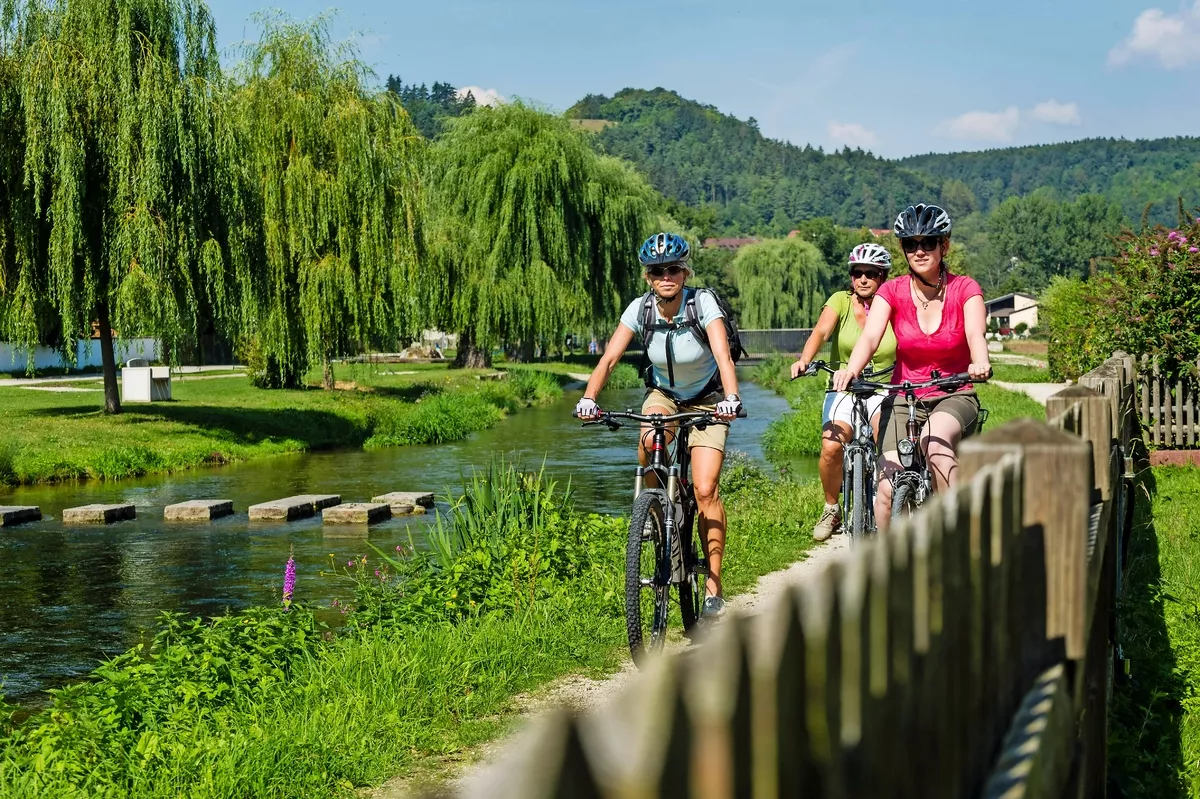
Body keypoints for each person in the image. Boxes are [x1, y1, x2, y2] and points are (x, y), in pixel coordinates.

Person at [575, 232, 742, 619]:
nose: (665, 276)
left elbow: (722, 355)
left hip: (707, 399)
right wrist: (589, 398)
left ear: (684, 272)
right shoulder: (640, 308)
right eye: (656, 271)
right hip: (664, 394)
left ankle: (714, 587)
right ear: (647, 277)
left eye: (672, 269)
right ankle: (650, 509)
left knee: (704, 489)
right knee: (649, 434)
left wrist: (732, 399)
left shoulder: (703, 304)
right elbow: (609, 358)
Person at [831, 204, 991, 531]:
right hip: (904, 396)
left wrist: (980, 360)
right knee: (888, 488)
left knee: (936, 444)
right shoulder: (891, 291)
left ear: (943, 246)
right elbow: (871, 336)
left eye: (928, 242)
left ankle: (956, 537)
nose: (919, 251)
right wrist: (852, 369)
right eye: (910, 244)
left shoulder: (965, 289)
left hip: (954, 392)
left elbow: (976, 332)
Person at [789, 243, 897, 541]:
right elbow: (821, 332)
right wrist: (804, 360)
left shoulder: (894, 303)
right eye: (858, 274)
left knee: (886, 443)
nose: (863, 279)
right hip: (843, 385)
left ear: (882, 277)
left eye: (871, 274)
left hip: (884, 385)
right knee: (831, 446)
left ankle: (886, 499)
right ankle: (831, 508)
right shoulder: (840, 300)